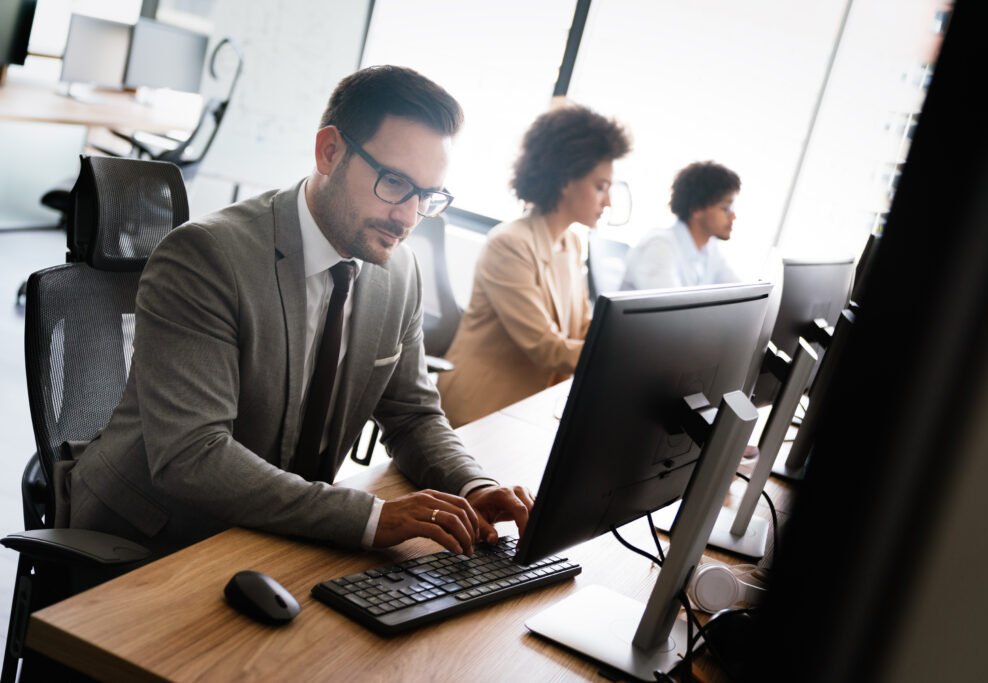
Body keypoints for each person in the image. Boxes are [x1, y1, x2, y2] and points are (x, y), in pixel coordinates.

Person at [67, 65, 531, 558]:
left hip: (284, 532)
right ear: (329, 151)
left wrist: (472, 485)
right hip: (152, 538)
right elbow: (193, 456)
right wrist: (371, 517)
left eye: (426, 196)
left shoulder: (399, 272)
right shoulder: (207, 257)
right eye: (394, 182)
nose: (407, 217)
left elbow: (412, 416)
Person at [436, 105, 630, 427]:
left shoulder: (571, 243)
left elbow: (581, 327)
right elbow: (546, 347)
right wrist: (624, 360)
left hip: (533, 404)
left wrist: (624, 340)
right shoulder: (510, 244)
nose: (607, 202)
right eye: (600, 187)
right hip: (481, 408)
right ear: (566, 180)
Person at [621, 161, 741, 290]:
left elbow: (739, 291)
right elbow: (667, 302)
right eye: (726, 208)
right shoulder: (659, 246)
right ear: (697, 209)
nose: (733, 216)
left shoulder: (710, 249)